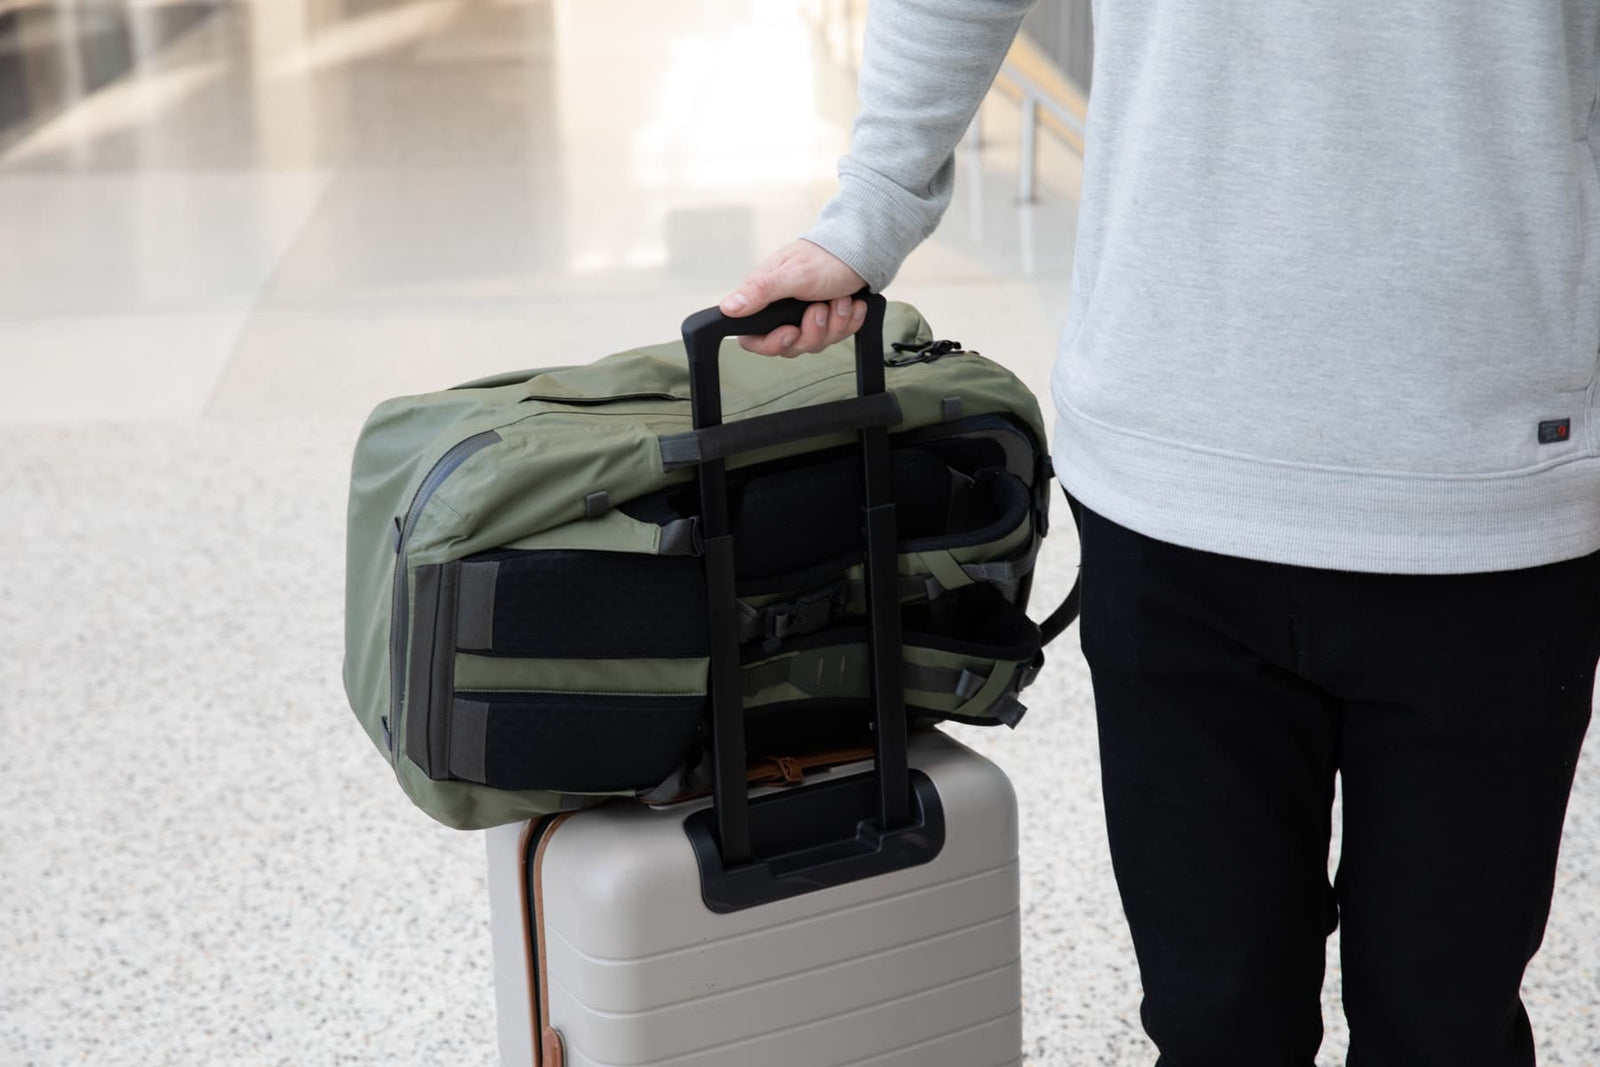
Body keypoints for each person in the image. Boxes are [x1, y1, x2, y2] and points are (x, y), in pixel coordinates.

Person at [720, 2, 1600, 1064]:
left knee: (1444, 1023)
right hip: (1171, 475)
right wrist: (864, 214)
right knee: (1213, 1015)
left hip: (1492, 495)